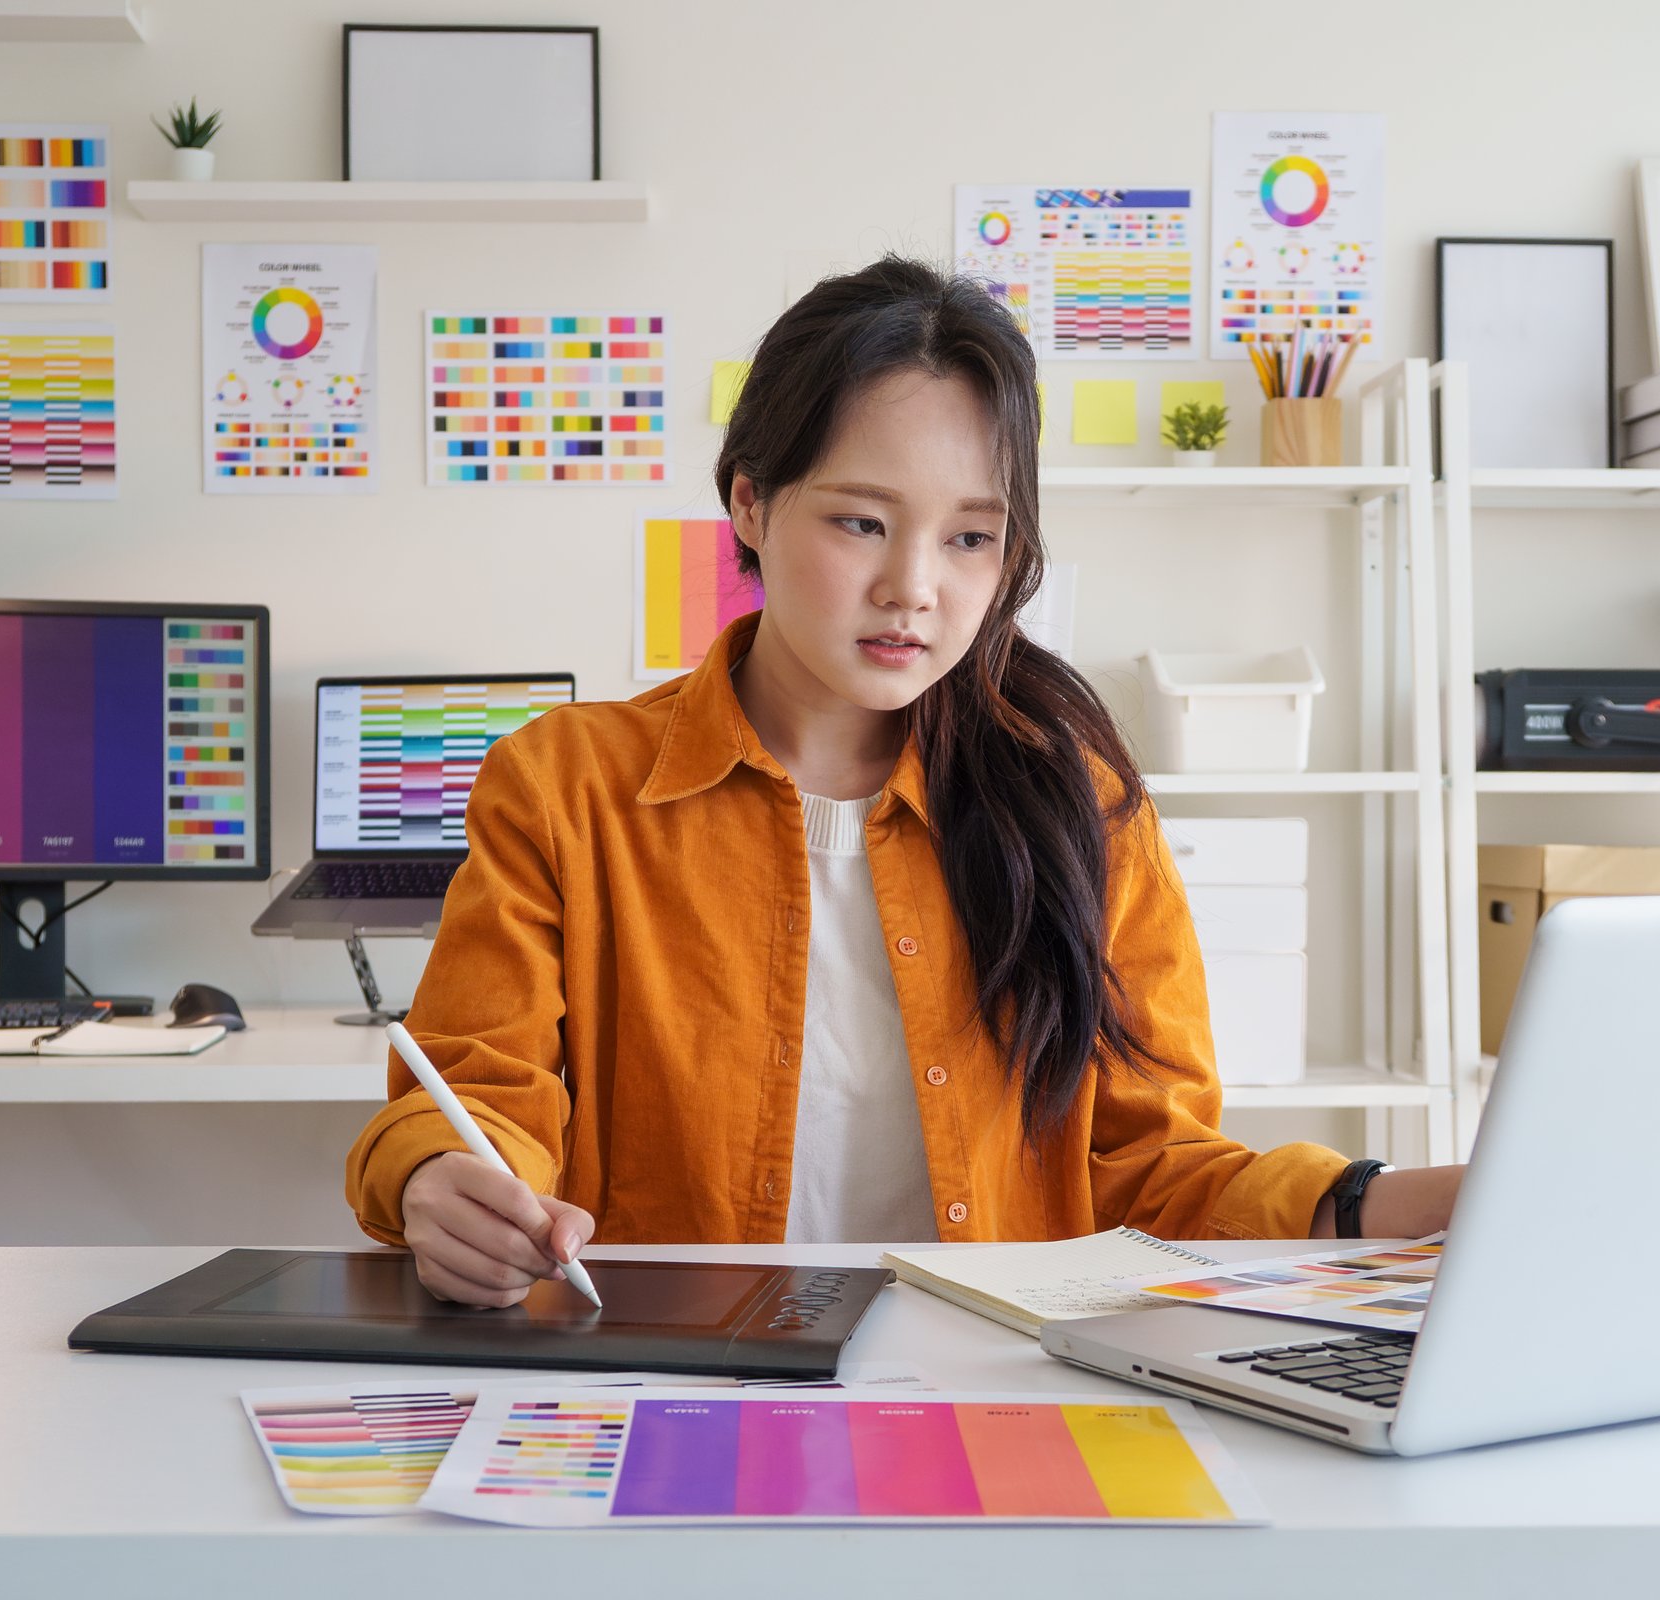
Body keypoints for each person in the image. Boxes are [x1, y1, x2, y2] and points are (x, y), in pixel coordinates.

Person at [345, 254, 1464, 1307]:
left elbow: (1154, 1172)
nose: (914, 588)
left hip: (993, 1392)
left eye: (971, 537)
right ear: (749, 503)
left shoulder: (1077, 799)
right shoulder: (563, 783)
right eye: (862, 522)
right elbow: (477, 1095)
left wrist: (1387, 1203)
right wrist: (435, 1177)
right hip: (675, 1383)